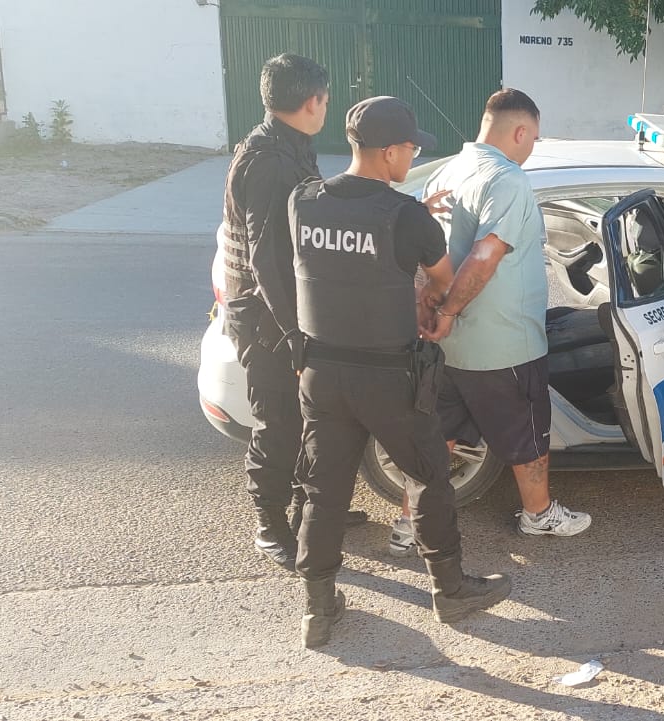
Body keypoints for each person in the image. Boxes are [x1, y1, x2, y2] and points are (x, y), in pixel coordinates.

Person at [288, 96, 511, 648]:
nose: (413, 155)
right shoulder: (406, 216)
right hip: (387, 377)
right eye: (410, 148)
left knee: (325, 489)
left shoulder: (305, 201)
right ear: (389, 151)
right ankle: (451, 591)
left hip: (321, 371)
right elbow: (440, 279)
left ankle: (318, 609)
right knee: (430, 474)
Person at [387, 88, 590, 554]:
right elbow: (485, 254)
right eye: (534, 138)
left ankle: (408, 525)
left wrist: (430, 305)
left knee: (438, 434)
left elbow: (425, 251)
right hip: (502, 344)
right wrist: (453, 310)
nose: (532, 147)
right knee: (527, 434)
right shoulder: (508, 180)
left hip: (444, 344)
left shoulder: (446, 172)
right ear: (520, 131)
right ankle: (538, 515)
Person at [220, 53, 364, 572]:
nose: (326, 107)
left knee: (309, 417)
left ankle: (311, 510)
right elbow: (265, 259)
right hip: (268, 318)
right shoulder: (269, 161)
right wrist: (292, 333)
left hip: (286, 313)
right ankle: (269, 525)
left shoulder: (289, 147)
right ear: (312, 102)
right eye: (326, 99)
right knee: (277, 421)